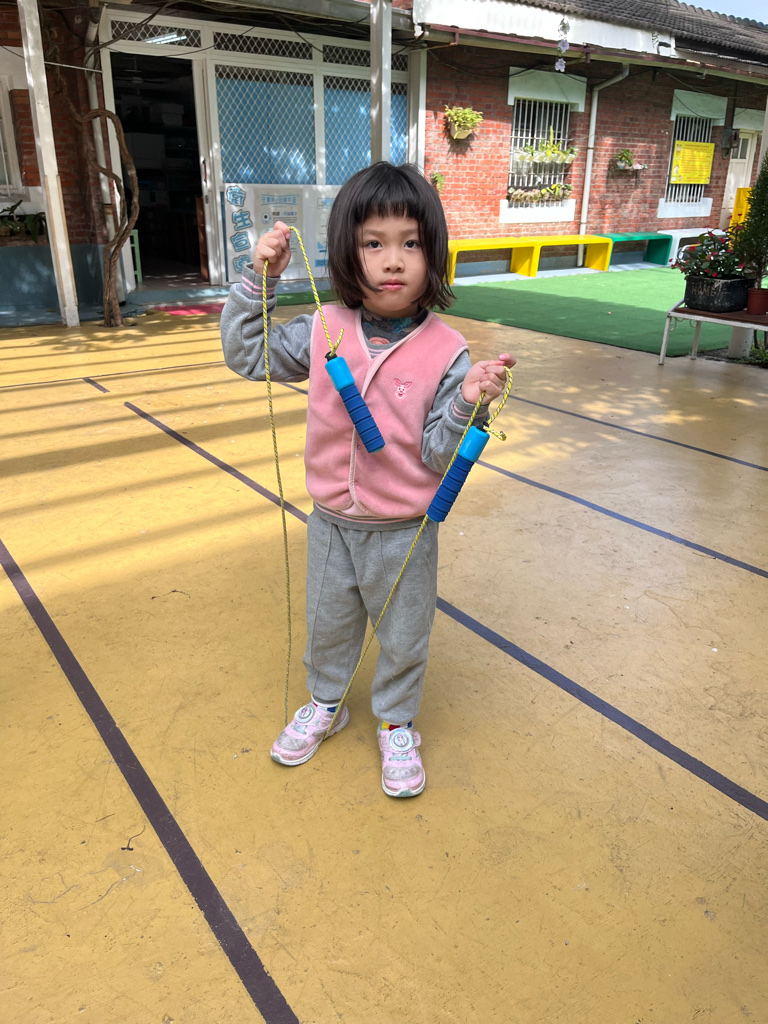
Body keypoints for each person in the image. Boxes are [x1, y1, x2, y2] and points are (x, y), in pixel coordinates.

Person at [220, 162, 514, 798]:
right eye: (374, 243)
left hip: (404, 531)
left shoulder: (448, 350)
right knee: (328, 624)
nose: (393, 260)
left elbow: (439, 454)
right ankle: (326, 704)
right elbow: (247, 355)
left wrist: (468, 401)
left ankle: (397, 722)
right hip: (331, 523)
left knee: (404, 636)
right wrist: (258, 281)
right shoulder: (323, 328)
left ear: (434, 255)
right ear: (346, 253)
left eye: (411, 243)